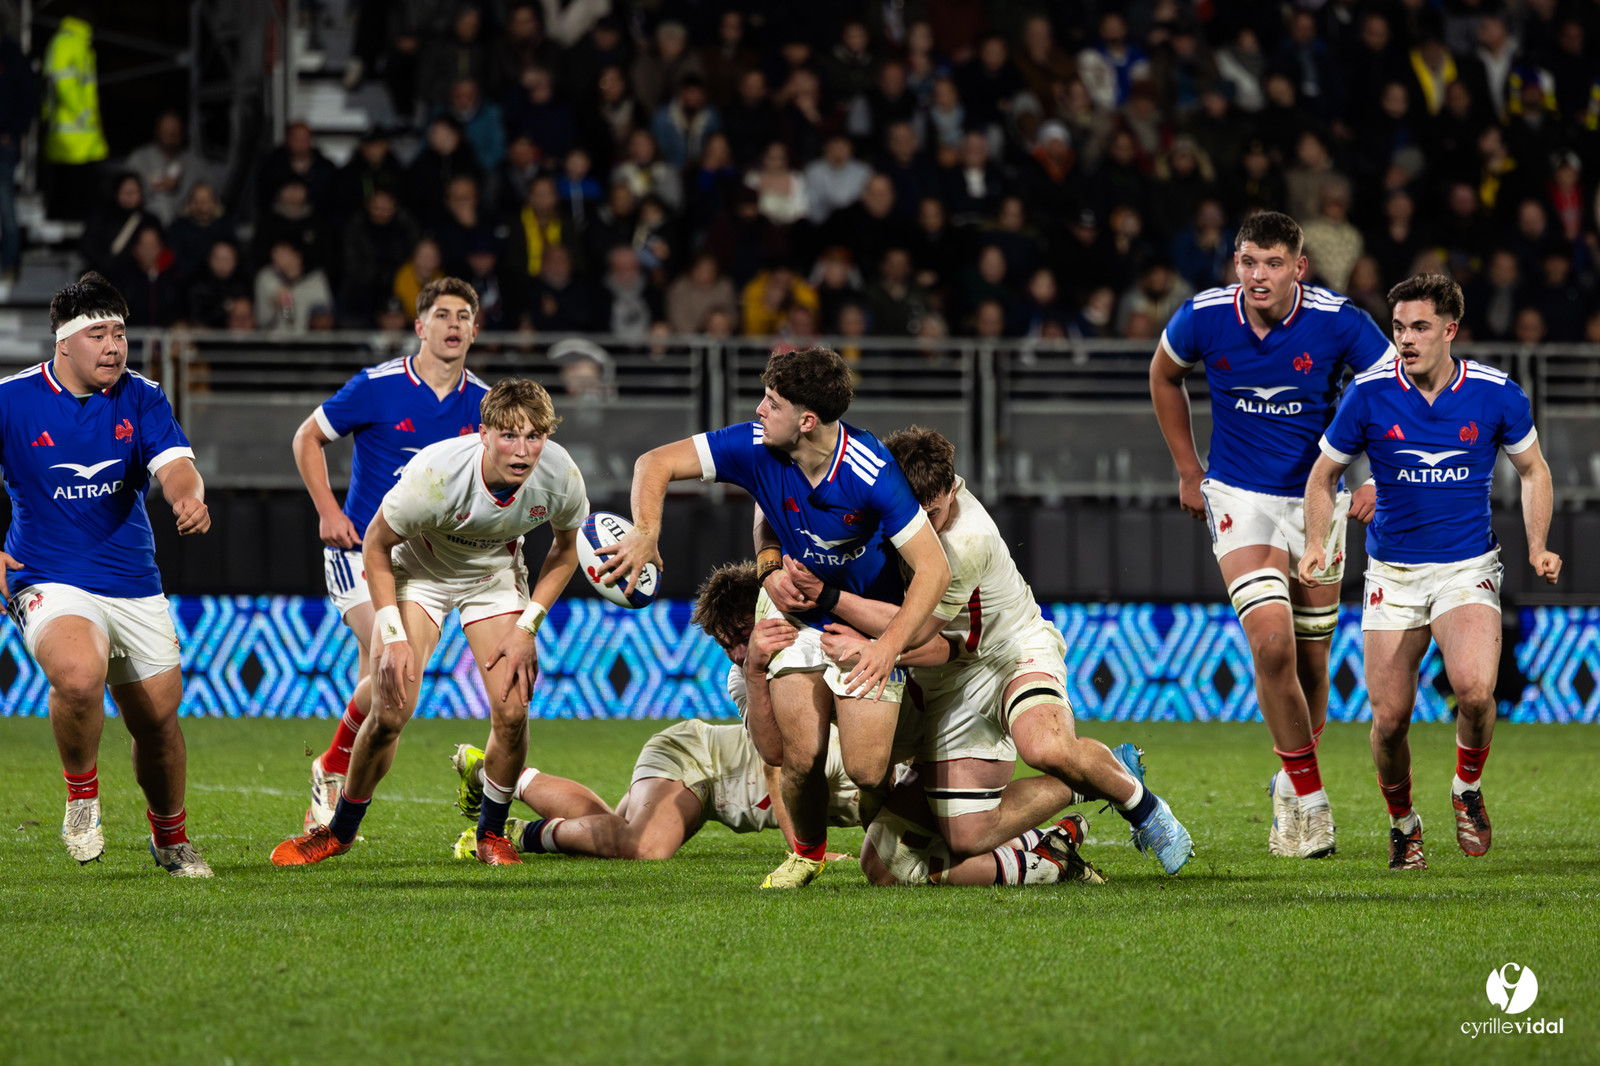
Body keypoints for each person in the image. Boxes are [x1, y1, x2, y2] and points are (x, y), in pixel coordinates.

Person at [447, 561, 1102, 888]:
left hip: (826, 779)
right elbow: (778, 760)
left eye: (741, 635)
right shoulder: (752, 674)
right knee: (638, 843)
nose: (735, 651)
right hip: (701, 763)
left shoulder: (824, 657)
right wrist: (805, 848)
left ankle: (1055, 838)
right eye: (729, 642)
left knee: (906, 861)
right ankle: (512, 809)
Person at [597, 347, 951, 889]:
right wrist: (648, 532)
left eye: (772, 401)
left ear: (807, 421)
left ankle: (895, 840)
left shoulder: (872, 471)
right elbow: (655, 463)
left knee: (866, 770)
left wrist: (887, 647)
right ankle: (806, 853)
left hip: (860, 621)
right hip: (791, 607)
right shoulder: (755, 444)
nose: (759, 409)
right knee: (795, 757)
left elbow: (933, 571)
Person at [793, 427, 1193, 875]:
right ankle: (1069, 814)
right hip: (949, 674)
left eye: (934, 512)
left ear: (950, 487)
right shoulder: (884, 509)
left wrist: (833, 603)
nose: (924, 526)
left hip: (1009, 651)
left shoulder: (964, 542)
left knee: (1046, 749)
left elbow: (924, 638)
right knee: (945, 843)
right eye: (914, 515)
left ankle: (1143, 807)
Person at [1149, 211, 1394, 860]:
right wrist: (1186, 468)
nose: (1258, 275)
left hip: (1319, 500)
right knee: (1272, 645)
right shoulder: (1204, 315)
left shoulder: (1339, 320)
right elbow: (1163, 374)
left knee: (1314, 664)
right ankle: (1313, 806)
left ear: (1298, 268)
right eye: (1248, 262)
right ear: (1236, 264)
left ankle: (1291, 780)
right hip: (1240, 501)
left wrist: (1377, 478)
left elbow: (1393, 392)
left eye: (1272, 263)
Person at [271, 377, 588, 867]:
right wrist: (392, 633)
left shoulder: (561, 474)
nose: (522, 450)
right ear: (484, 434)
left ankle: (491, 834)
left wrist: (528, 626)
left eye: (534, 436)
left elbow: (565, 553)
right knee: (392, 708)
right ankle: (339, 833)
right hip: (418, 574)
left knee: (513, 709)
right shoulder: (437, 474)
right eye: (509, 435)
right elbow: (374, 548)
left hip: (493, 578)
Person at [1301, 273, 1560, 870]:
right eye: (1397, 328)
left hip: (1466, 566)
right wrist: (1318, 544)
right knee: (1389, 722)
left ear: (1450, 330)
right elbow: (1322, 476)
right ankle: (1404, 823)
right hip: (1392, 573)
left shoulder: (1496, 393)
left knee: (1474, 691)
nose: (1405, 339)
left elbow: (1534, 470)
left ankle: (1466, 789)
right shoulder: (1368, 393)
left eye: (1419, 327)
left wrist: (1538, 545)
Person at [0, 272, 211, 876]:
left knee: (158, 720)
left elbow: (176, 466)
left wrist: (186, 498)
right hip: (44, 573)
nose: (115, 345)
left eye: (120, 332)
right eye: (99, 334)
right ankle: (82, 795)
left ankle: (170, 838)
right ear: (64, 343)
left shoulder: (141, 396)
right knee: (78, 674)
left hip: (131, 580)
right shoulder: (12, 400)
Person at [288, 277, 492, 831]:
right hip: (361, 549)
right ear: (420, 326)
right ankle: (331, 766)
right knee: (395, 670)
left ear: (475, 330)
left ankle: (331, 808)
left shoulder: (484, 404)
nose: (453, 325)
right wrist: (329, 512)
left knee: (389, 711)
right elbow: (307, 438)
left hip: (427, 564)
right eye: (442, 315)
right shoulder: (376, 387)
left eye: (463, 317)